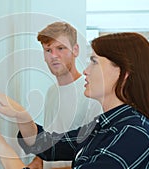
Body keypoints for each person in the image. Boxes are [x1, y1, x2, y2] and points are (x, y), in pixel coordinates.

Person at [0, 32, 149, 169]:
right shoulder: (105, 125)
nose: (86, 70)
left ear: (124, 74)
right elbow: (47, 145)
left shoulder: (134, 135)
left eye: (94, 62)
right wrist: (21, 114)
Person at [28, 22, 101, 169]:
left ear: (75, 50)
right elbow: (49, 137)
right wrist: (37, 162)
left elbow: (94, 153)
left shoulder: (91, 93)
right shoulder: (51, 92)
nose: (54, 56)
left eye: (60, 48)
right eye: (48, 50)